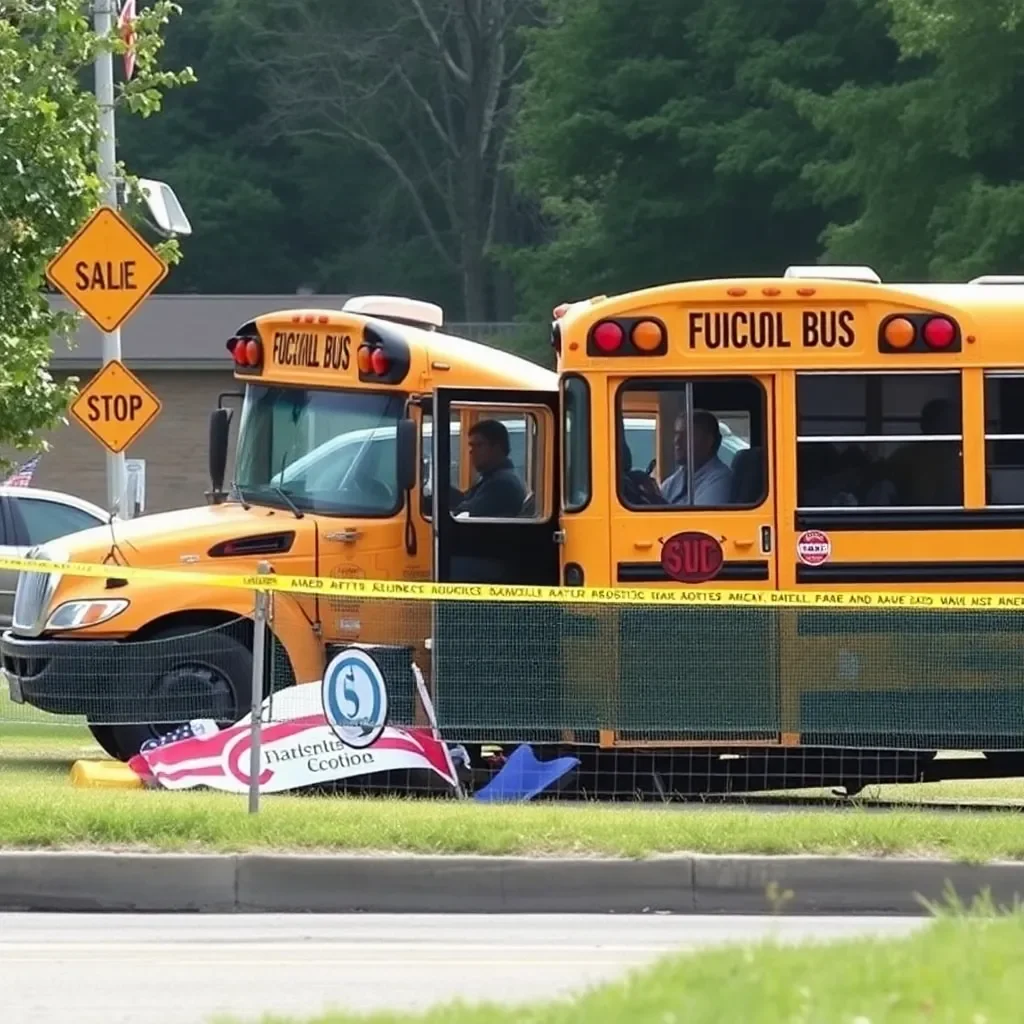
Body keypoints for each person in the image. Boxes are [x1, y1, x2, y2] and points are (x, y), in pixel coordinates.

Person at [451, 419, 527, 517]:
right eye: (471, 446)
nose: (471, 451)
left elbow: (468, 512)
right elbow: (467, 500)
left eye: (479, 445)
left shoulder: (502, 484)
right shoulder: (492, 477)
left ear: (497, 448)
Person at [659, 409, 733, 505]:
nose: (677, 441)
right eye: (677, 434)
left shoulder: (720, 480)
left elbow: (700, 519)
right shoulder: (674, 481)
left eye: (687, 435)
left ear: (708, 441)